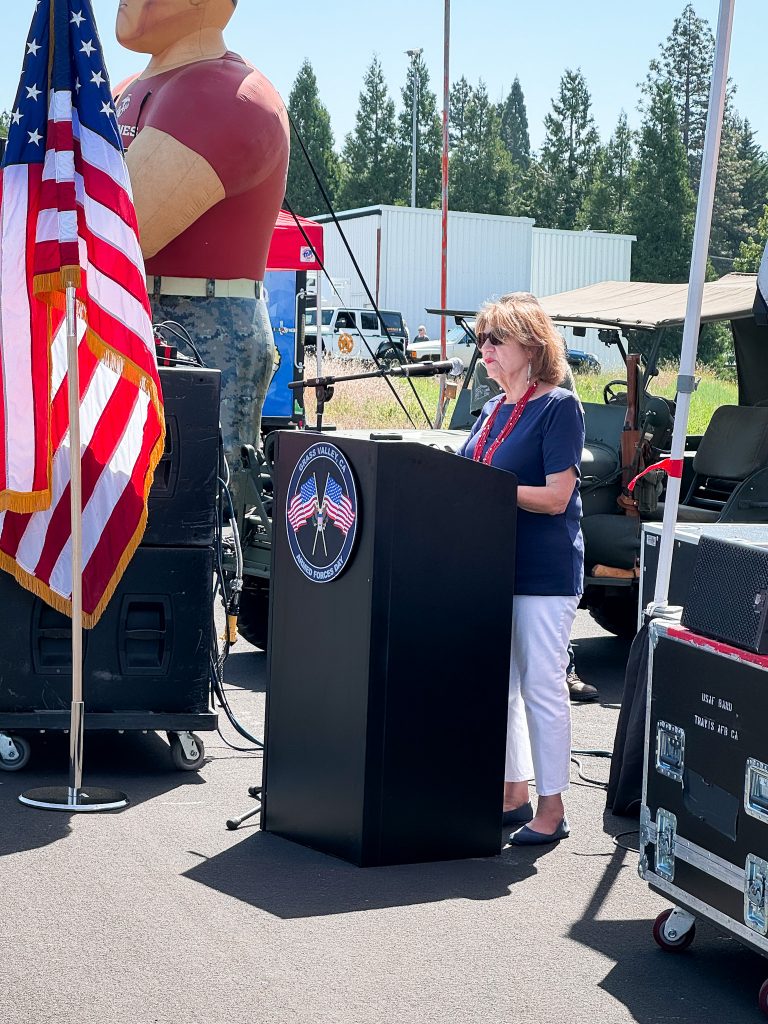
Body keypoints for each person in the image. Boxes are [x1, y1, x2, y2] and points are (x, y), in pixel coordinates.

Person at [114, 0, 290, 524]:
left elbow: (121, 228)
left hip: (198, 335)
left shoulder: (228, 96)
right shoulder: (125, 90)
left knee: (192, 514)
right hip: (136, 317)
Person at [457, 293, 585, 846]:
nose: (483, 350)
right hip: (490, 569)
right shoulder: (491, 411)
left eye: (495, 340)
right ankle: (515, 791)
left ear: (530, 347)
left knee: (541, 688)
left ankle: (553, 808)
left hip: (542, 573)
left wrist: (492, 492)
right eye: (481, 339)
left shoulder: (559, 407)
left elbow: (557, 497)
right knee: (501, 688)